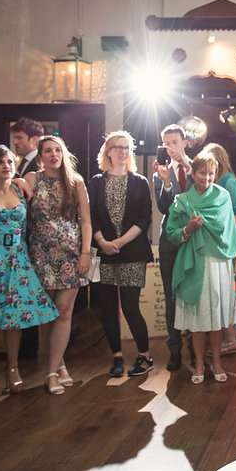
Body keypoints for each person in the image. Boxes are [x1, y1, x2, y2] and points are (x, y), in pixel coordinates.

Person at [0, 146, 58, 394]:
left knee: (14, 316)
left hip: (17, 257)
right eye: (0, 162)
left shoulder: (21, 190)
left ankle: (13, 368)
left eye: (10, 162)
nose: (6, 166)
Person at [166, 151, 236, 385]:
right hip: (194, 262)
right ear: (193, 173)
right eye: (202, 173)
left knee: (216, 318)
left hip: (220, 262)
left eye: (211, 173)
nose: (207, 178)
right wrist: (188, 229)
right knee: (198, 319)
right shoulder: (183, 200)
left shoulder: (224, 196)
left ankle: (217, 362)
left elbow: (230, 231)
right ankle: (199, 363)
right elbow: (171, 234)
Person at [25, 135, 92, 396]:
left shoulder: (76, 182)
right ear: (40, 156)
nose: (53, 155)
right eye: (48, 151)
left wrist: (85, 253)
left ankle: (51, 373)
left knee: (64, 310)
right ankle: (58, 364)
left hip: (70, 254)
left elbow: (86, 221)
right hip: (40, 254)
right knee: (47, 313)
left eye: (57, 150)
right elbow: (17, 210)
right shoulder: (33, 179)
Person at [88, 131, 154, 379]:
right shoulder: (96, 182)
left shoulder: (140, 182)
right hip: (103, 253)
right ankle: (116, 356)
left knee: (130, 307)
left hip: (132, 252)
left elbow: (144, 219)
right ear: (107, 151)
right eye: (117, 147)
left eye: (127, 147)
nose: (123, 152)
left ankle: (145, 355)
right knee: (107, 308)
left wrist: (119, 242)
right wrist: (102, 242)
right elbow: (91, 216)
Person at [153, 124, 193, 371]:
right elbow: (163, 208)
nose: (170, 148)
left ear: (185, 142)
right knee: (171, 296)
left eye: (174, 142)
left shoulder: (197, 167)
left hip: (194, 238)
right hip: (170, 240)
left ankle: (196, 348)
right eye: (166, 143)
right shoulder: (160, 172)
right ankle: (175, 349)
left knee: (194, 293)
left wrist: (187, 166)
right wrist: (167, 183)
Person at [202, 142, 236, 355]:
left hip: (229, 247)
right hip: (217, 247)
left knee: (227, 295)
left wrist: (217, 228)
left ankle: (231, 339)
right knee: (219, 294)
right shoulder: (216, 181)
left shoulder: (229, 182)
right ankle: (224, 339)